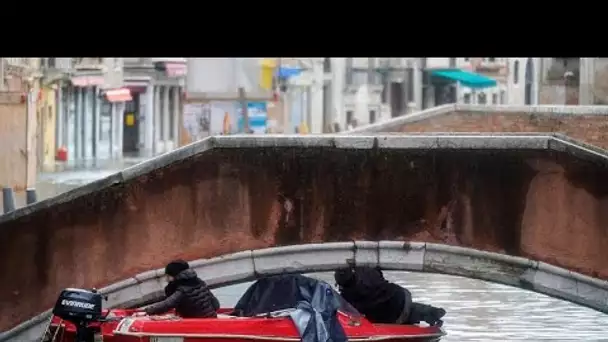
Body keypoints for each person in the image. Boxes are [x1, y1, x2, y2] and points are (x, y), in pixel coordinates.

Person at [334, 266, 445, 326]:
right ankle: (431, 313)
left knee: (398, 311)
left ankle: (429, 314)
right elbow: (378, 273)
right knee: (408, 309)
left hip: (390, 315)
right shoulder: (365, 270)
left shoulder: (347, 298)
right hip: (400, 296)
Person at [144, 260, 220, 318]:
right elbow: (216, 305)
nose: (166, 279)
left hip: (197, 326)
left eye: (167, 276)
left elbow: (167, 304)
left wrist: (148, 311)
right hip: (212, 320)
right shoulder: (200, 282)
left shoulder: (182, 290)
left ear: (174, 276)